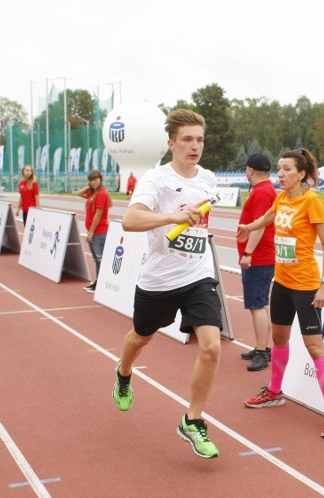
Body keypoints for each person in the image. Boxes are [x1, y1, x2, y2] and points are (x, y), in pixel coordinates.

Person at [113, 108, 223, 459]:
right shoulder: (154, 180)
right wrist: (173, 216)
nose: (195, 146)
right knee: (140, 337)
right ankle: (124, 372)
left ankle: (192, 421)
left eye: (200, 140)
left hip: (198, 274)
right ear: (171, 143)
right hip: (159, 280)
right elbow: (129, 220)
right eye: (187, 139)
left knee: (210, 347)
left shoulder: (208, 179)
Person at [238, 147, 324, 439]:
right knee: (280, 339)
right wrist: (249, 226)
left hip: (307, 286)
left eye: (286, 170)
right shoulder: (282, 197)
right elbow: (268, 218)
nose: (280, 174)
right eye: (279, 169)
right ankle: (274, 392)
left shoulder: (312, 202)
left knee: (314, 347)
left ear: (302, 174)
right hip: (281, 283)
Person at [237, 153, 276, 371]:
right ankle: (263, 346)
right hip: (262, 256)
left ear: (250, 170)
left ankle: (262, 351)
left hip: (259, 257)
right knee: (262, 303)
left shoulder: (262, 192)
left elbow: (259, 225)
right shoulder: (267, 190)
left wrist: (248, 253)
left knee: (256, 305)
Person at [77, 169, 111, 293]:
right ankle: (98, 282)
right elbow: (78, 193)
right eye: (91, 180)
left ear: (101, 179)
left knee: (100, 259)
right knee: (97, 259)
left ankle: (100, 284)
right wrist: (91, 186)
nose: (93, 182)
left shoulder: (101, 194)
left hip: (99, 232)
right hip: (95, 232)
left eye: (96, 179)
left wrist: (91, 232)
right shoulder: (93, 194)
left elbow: (98, 214)